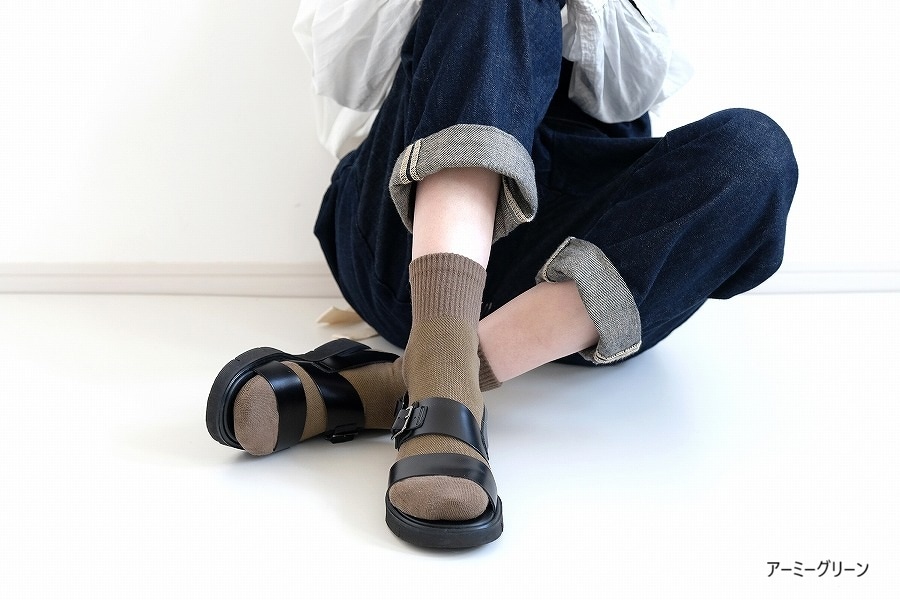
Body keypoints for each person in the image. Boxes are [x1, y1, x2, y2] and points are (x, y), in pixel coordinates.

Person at [205, 0, 798, 549]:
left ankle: (400, 384)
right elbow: (345, 73)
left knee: (755, 155)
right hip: (399, 240)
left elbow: (630, 93)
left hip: (563, 291)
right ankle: (441, 369)